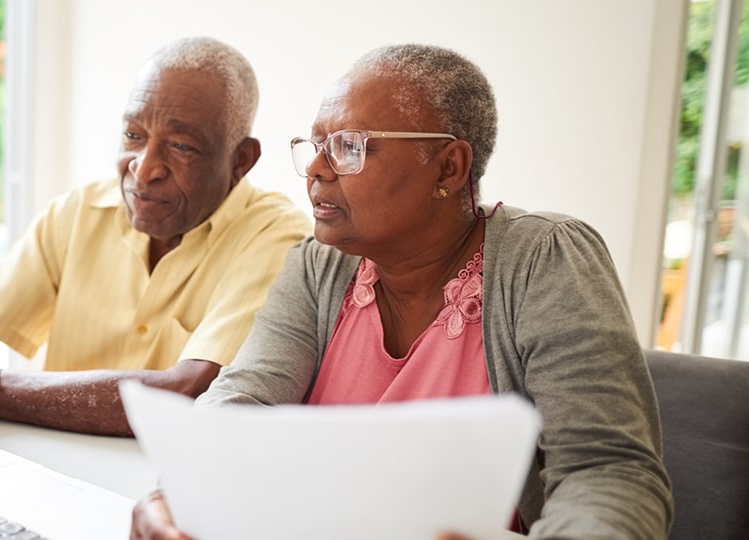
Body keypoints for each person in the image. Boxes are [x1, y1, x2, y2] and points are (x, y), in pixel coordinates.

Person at [131, 43, 673, 539]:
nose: (316, 170)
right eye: (316, 146)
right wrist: (173, 495)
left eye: (348, 147)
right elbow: (241, 400)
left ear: (449, 166)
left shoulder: (545, 261)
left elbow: (609, 473)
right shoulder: (319, 266)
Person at [0, 36, 311, 456]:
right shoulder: (80, 211)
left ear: (241, 160)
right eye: (133, 134)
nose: (144, 167)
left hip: (163, 490)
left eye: (182, 146)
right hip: (48, 466)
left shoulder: (280, 239)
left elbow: (191, 391)